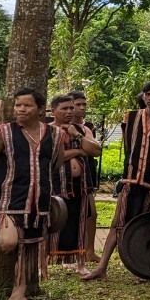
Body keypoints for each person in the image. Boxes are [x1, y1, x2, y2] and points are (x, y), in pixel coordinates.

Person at [0, 88, 70, 300]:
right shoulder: (3, 133)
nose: (21, 109)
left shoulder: (56, 134)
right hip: (8, 200)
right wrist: (11, 174)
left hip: (39, 201)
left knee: (30, 248)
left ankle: (18, 293)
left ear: (40, 109)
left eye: (27, 105)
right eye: (18, 105)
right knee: (10, 242)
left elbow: (56, 163)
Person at [85, 81, 150, 281]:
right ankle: (102, 266)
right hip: (131, 180)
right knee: (117, 223)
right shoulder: (131, 117)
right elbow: (130, 148)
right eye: (148, 94)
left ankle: (145, 266)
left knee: (148, 224)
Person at [47, 93, 100, 273]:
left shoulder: (82, 130)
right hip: (55, 186)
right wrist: (78, 150)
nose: (70, 111)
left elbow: (95, 150)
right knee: (51, 223)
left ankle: (81, 264)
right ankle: (43, 263)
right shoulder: (46, 130)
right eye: (65, 108)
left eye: (71, 108)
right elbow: (53, 157)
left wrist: (75, 135)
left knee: (79, 223)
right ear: (53, 110)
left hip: (80, 186)